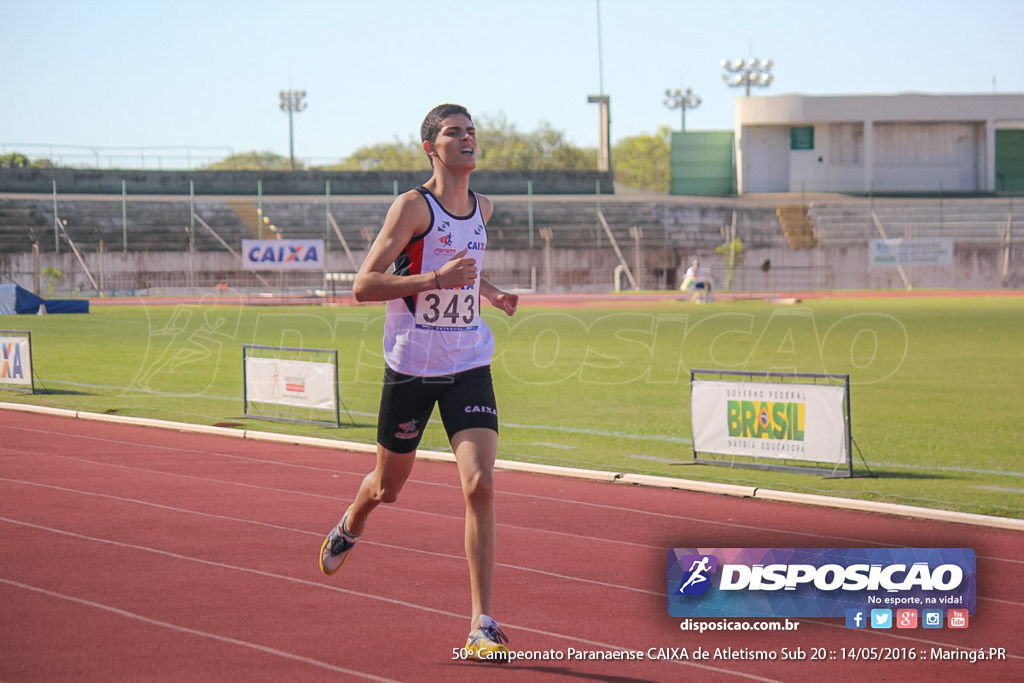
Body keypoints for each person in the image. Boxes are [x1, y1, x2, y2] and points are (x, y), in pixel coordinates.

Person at [319, 103, 519, 663]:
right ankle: (353, 519)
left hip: (468, 361)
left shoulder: (485, 207)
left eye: (471, 130)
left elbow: (466, 269)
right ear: (431, 147)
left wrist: (490, 292)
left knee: (480, 483)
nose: (467, 137)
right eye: (454, 132)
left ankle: (481, 622)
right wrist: (437, 278)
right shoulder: (412, 206)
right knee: (389, 488)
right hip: (412, 366)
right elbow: (363, 285)